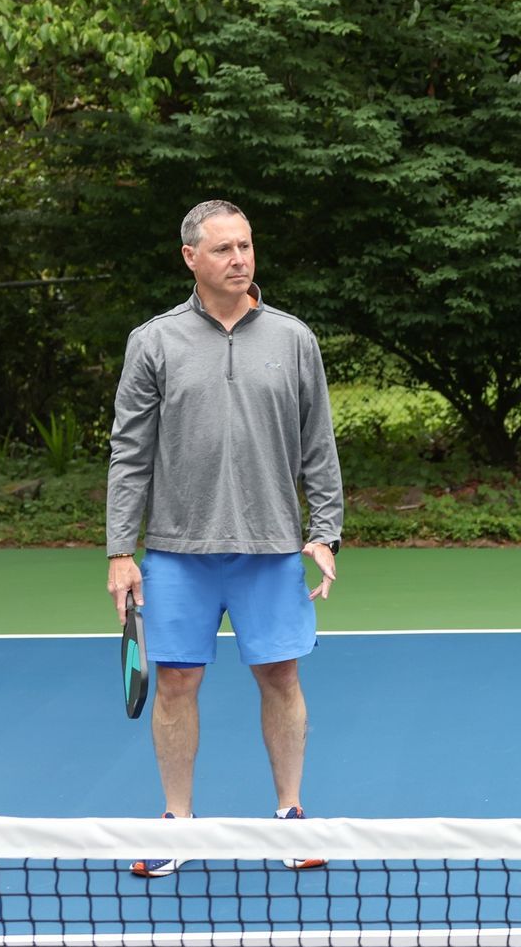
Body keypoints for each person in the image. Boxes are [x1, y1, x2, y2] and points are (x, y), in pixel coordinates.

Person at [105, 199, 345, 878]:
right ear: (191, 258)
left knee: (281, 675)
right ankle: (178, 823)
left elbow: (318, 444)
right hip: (178, 552)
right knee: (176, 682)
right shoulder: (153, 342)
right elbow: (130, 453)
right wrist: (121, 550)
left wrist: (326, 532)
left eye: (245, 246)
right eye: (223, 249)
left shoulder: (294, 339)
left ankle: (291, 816)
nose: (239, 259)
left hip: (270, 549)